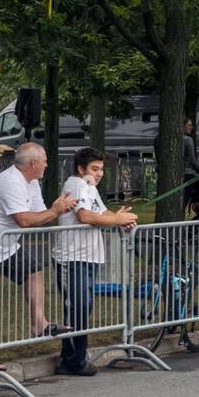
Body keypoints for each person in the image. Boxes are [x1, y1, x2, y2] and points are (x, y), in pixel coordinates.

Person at [0, 143, 78, 370]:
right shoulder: (11, 182)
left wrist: (59, 210)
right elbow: (23, 220)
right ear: (33, 163)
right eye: (45, 161)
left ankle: (39, 324)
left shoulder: (31, 182)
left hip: (5, 244)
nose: (46, 165)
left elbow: (39, 215)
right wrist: (55, 210)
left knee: (34, 269)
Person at [53, 147, 138, 376]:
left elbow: (102, 213)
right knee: (77, 309)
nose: (99, 173)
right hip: (72, 257)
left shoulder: (89, 187)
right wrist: (116, 219)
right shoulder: (76, 184)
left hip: (88, 256)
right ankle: (74, 361)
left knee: (84, 307)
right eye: (94, 168)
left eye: (101, 169)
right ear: (81, 169)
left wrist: (120, 219)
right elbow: (85, 216)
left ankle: (72, 359)